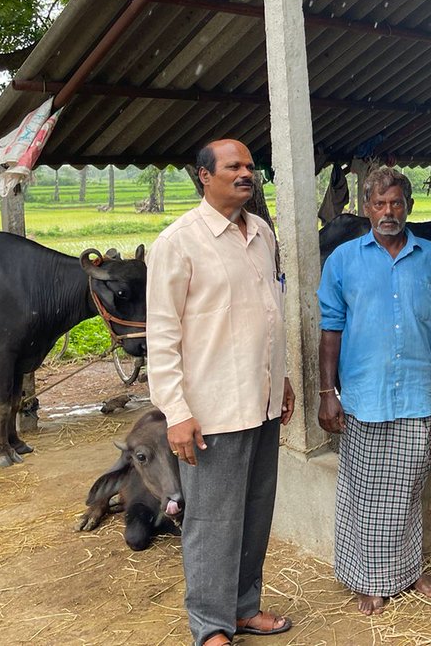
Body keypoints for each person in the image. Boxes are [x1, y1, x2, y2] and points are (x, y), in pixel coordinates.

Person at [146, 139, 295, 646]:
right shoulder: (179, 242)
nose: (245, 173)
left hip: (262, 402)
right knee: (212, 521)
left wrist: (281, 377)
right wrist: (175, 412)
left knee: (255, 511)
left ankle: (243, 608)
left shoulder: (262, 234)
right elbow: (162, 335)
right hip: (212, 410)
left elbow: (268, 315)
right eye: (233, 166)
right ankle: (210, 625)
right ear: (204, 176)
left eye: (250, 166)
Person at [317, 166, 431, 615]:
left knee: (411, 483)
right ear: (366, 209)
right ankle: (368, 578)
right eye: (379, 204)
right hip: (365, 394)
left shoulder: (430, 257)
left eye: (396, 203)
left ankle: (408, 569)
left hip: (415, 393)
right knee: (365, 489)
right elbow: (330, 330)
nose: (388, 212)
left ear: (409, 207)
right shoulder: (343, 260)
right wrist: (327, 392)